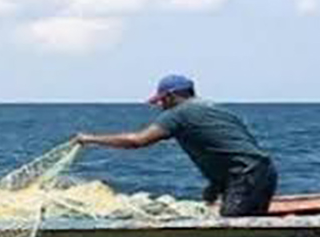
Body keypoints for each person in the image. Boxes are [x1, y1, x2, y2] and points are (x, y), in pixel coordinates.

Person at [74, 75, 278, 217]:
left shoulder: (179, 114)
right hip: (262, 171)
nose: (160, 106)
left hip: (245, 177)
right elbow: (232, 149)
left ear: (171, 96)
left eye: (161, 101)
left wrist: (90, 139)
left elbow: (137, 141)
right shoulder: (217, 110)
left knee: (235, 229)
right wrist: (216, 185)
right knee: (247, 222)